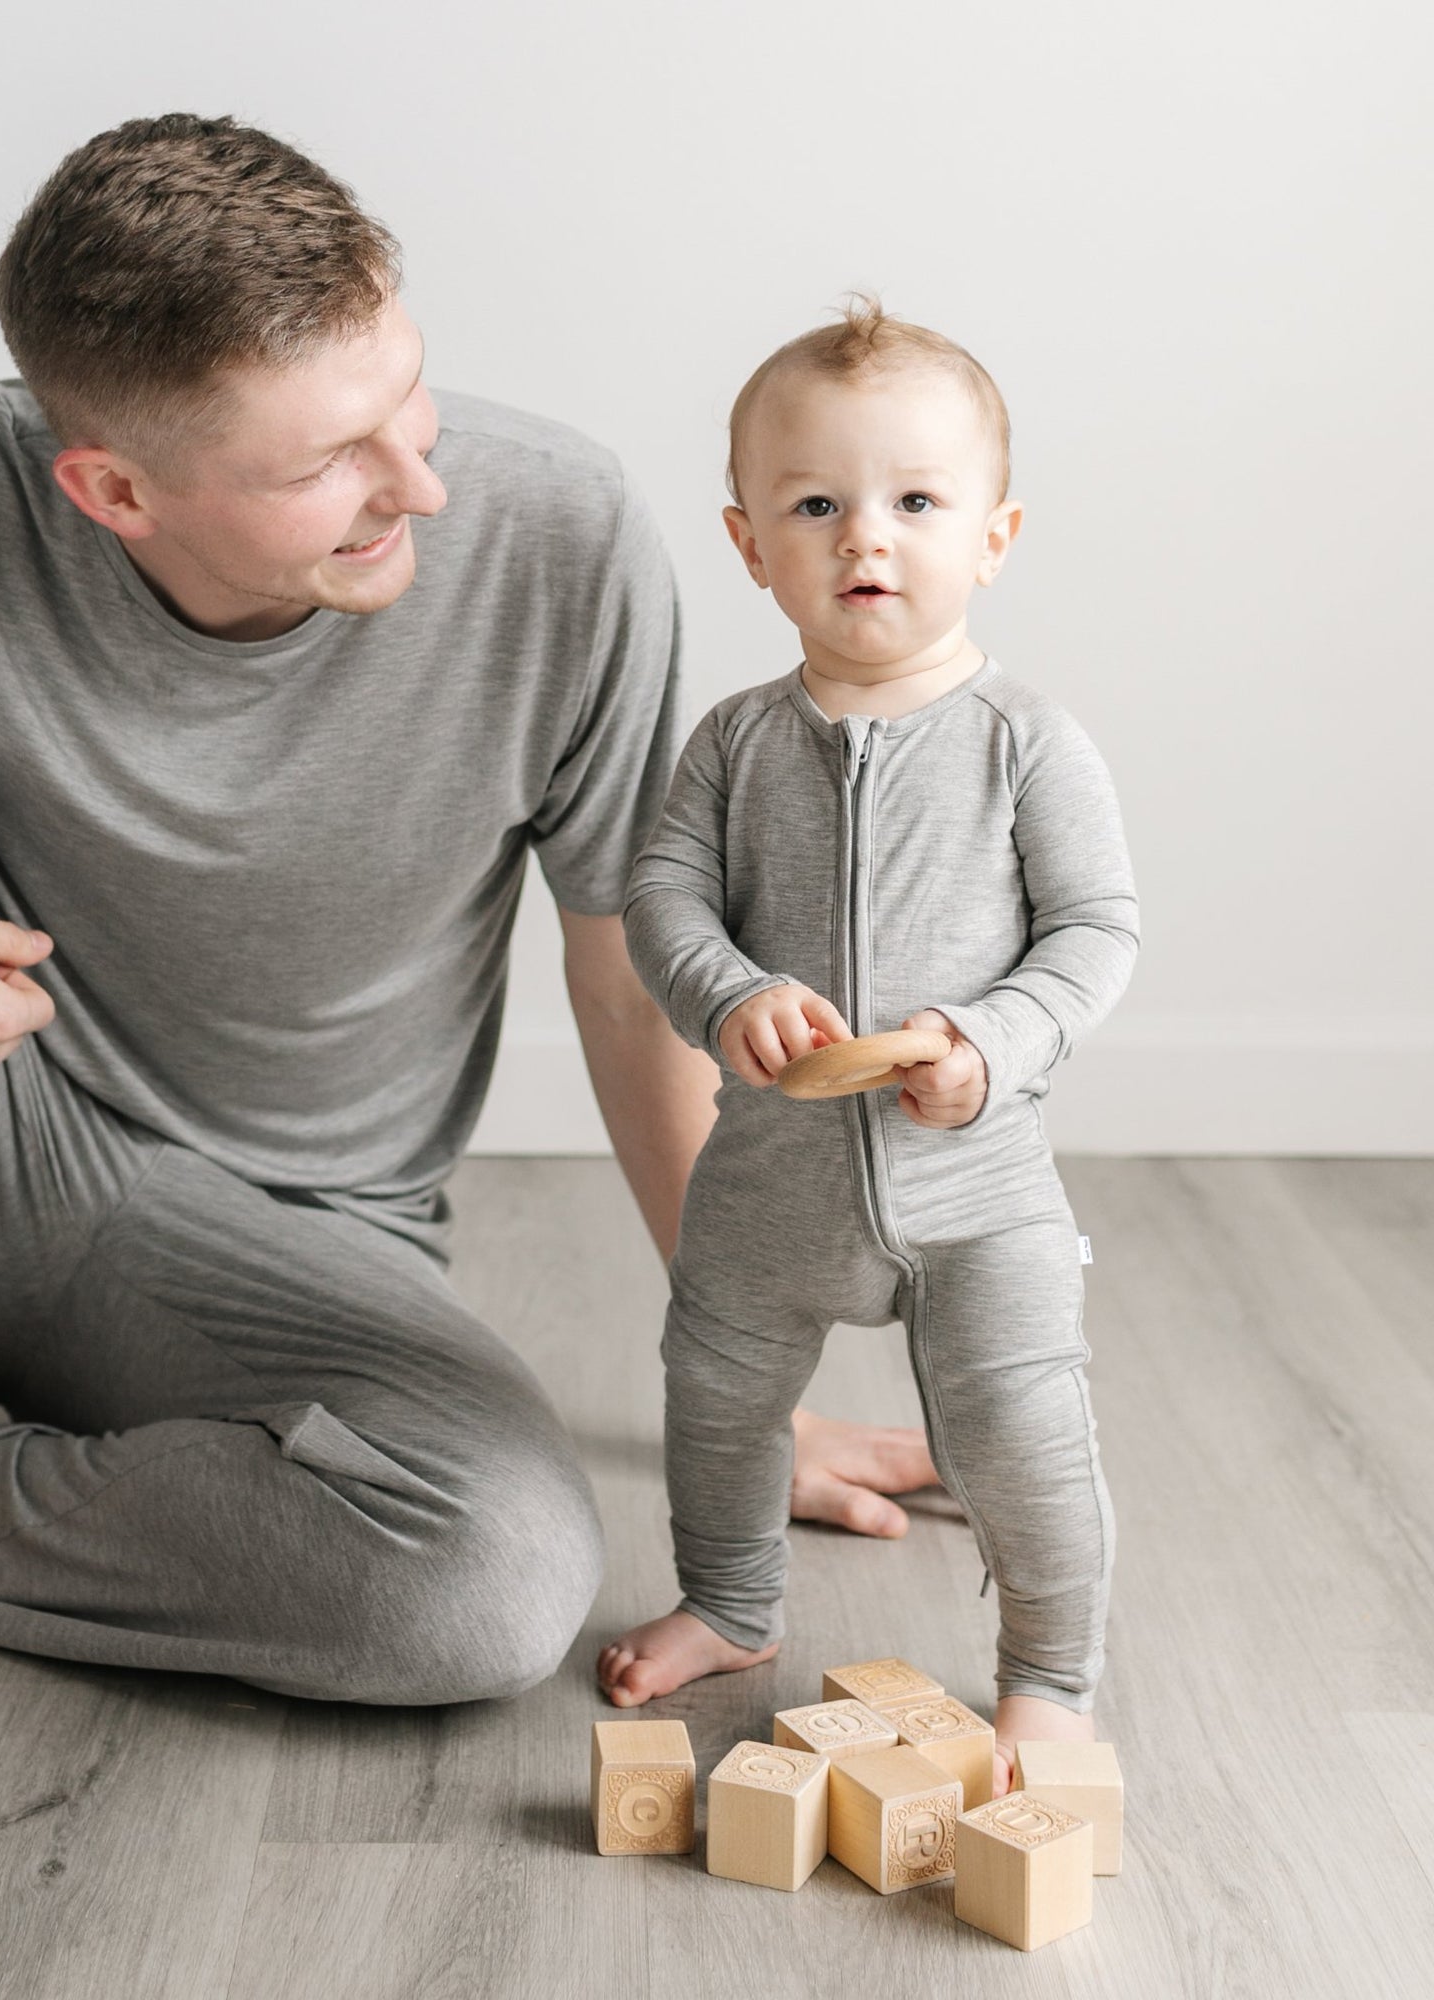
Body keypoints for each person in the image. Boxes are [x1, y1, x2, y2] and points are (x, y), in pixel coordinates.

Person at [0, 116, 936, 1776]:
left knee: (489, 1576)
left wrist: (746, 1394)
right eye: (325, 466)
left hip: (279, 1252)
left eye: (407, 395)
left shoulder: (559, 540)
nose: (418, 483)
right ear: (112, 489)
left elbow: (625, 974)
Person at [595, 300, 1138, 1793]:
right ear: (749, 541)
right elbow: (661, 898)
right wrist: (727, 995)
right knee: (714, 1402)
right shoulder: (734, 743)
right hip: (769, 1183)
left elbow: (1095, 933)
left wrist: (992, 1040)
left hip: (979, 1189)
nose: (864, 540)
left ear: (996, 533)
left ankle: (1048, 1675)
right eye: (816, 507)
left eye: (913, 502)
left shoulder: (1028, 742)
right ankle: (728, 1601)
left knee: (1026, 1437)